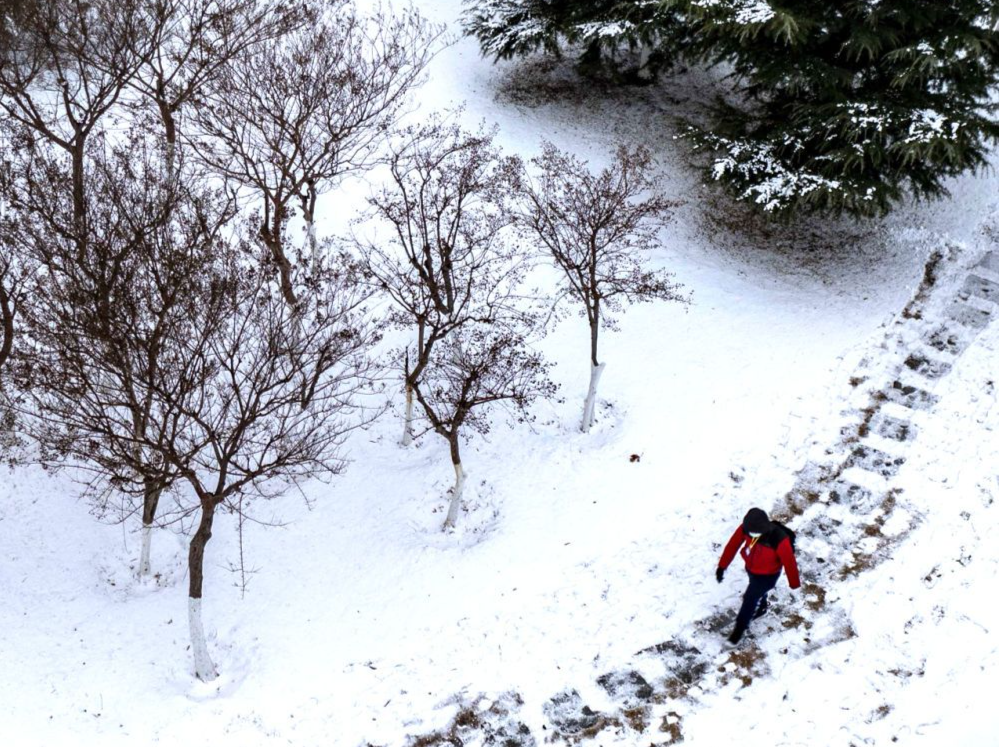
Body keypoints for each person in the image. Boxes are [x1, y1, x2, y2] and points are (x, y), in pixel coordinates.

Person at [716, 507, 800, 644]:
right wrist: (722, 566)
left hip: (768, 576)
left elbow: (789, 561)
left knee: (749, 599)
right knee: (756, 594)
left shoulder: (778, 538)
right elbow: (733, 545)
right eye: (750, 533)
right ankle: (762, 606)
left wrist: (794, 583)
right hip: (752, 569)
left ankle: (738, 631)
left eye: (756, 533)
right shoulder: (746, 528)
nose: (752, 536)